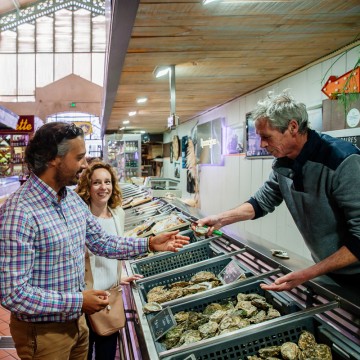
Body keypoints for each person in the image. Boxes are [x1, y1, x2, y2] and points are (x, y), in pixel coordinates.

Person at [0, 122, 189, 360]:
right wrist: (78, 301)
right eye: (79, 157)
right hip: (44, 333)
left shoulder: (71, 201)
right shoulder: (20, 212)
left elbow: (101, 242)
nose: (84, 165)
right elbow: (13, 293)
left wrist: (149, 244)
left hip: (78, 325)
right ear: (53, 159)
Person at [195, 91, 360, 292]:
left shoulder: (343, 162)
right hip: (329, 270)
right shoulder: (284, 163)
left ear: (292, 127)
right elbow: (261, 202)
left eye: (267, 137)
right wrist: (221, 219)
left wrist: (308, 273)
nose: (263, 144)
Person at [76, 161, 143, 360]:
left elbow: (115, 248)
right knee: (84, 354)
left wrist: (119, 274)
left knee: (106, 353)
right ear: (88, 186)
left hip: (110, 299)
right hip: (86, 298)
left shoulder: (118, 214)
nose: (103, 187)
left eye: (107, 182)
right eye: (96, 182)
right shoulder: (80, 216)